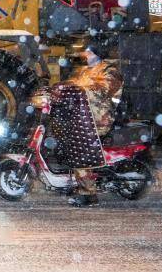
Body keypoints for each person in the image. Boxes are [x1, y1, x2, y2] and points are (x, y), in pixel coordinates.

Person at [49, 43, 124, 207]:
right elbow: (72, 85)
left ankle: (88, 193)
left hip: (99, 119)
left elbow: (104, 89)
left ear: (98, 53)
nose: (85, 55)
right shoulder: (84, 71)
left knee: (80, 145)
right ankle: (74, 181)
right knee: (64, 139)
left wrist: (77, 89)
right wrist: (57, 89)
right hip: (82, 118)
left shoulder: (109, 71)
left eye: (89, 52)